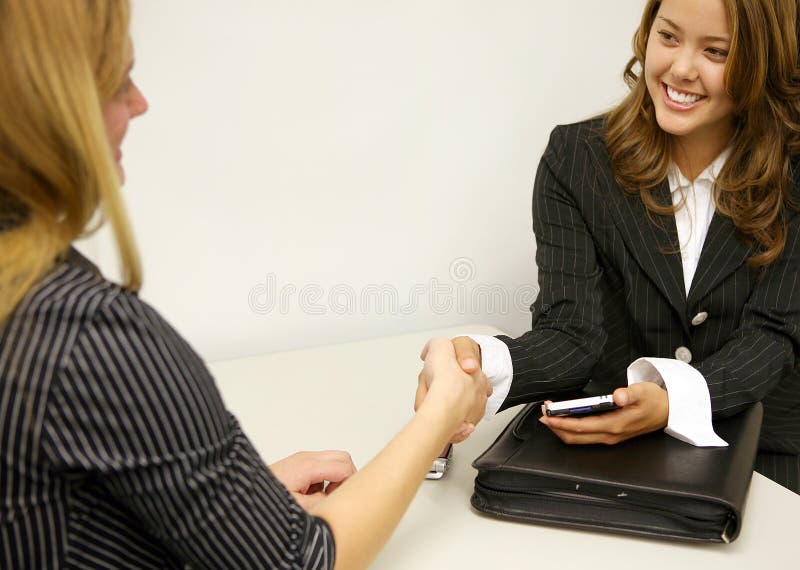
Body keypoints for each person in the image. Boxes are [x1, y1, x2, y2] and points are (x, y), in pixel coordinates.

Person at [0, 1, 491, 568]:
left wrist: (233, 505)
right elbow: (303, 561)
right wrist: (439, 416)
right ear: (51, 112)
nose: (140, 103)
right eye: (119, 82)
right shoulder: (87, 335)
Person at [416, 0, 800, 493]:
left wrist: (674, 400)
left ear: (764, 60)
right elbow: (572, 333)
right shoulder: (576, 159)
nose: (681, 68)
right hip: (614, 452)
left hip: (765, 451)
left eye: (717, 52)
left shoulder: (792, 172)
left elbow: (774, 337)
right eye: (668, 37)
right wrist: (479, 368)